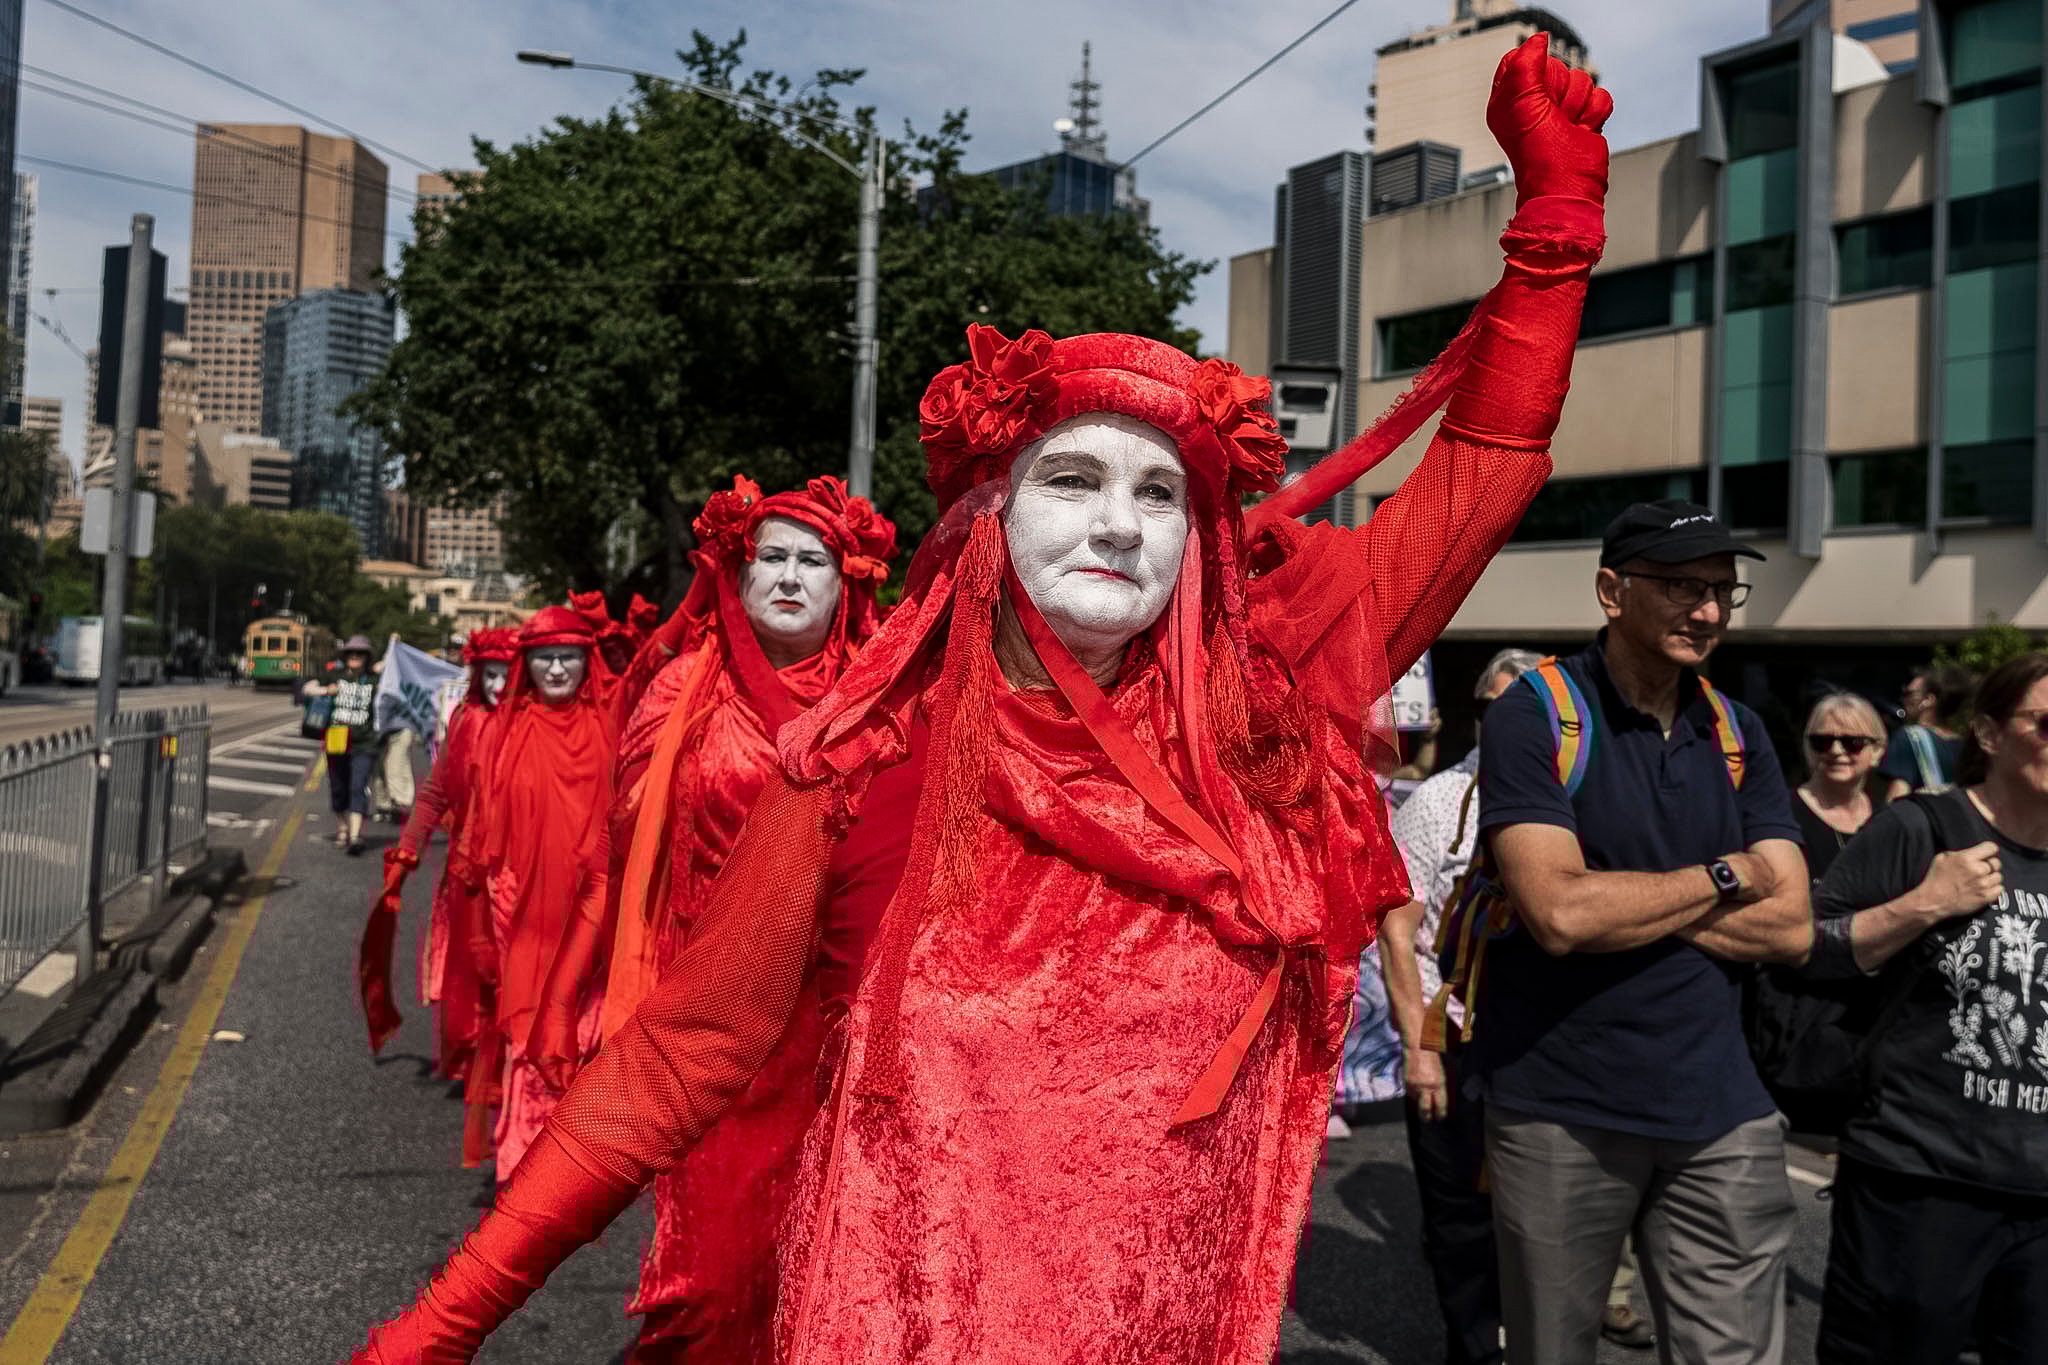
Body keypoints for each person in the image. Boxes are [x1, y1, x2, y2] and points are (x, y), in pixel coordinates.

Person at [354, 33, 1611, 1363]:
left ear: (1198, 537)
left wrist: (1557, 231)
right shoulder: (864, 767)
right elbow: (683, 1055)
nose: (1120, 524)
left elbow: (1477, 475)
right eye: (1075, 480)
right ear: (992, 513)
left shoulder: (1254, 730)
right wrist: (447, 1319)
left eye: (1160, 492)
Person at [529, 474, 895, 1365]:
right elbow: (628, 862)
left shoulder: (881, 702)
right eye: (771, 556)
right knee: (708, 1268)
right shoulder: (677, 695)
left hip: (828, 1034)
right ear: (736, 573)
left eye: (813, 560)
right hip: (709, 1031)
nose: (790, 576)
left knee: (821, 1261)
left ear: (847, 580)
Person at [1473, 499, 1812, 1365]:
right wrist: (1725, 876)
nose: (1708, 610)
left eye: (1722, 590)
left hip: (1722, 1109)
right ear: (1611, 591)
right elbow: (1560, 914)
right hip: (1561, 1108)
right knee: (1553, 1349)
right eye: (1681, 586)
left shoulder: (1738, 732)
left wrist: (1628, 904)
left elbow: (1794, 927)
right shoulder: (1538, 711)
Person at [1807, 654, 2047, 1365]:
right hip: (1917, 1187)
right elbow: (1804, 946)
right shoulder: (1923, 828)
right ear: (1991, 734)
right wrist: (1925, 904)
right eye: (2046, 722)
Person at [1380, 647, 1541, 1365]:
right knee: (1460, 1217)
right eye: (1494, 709)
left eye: (1526, 710)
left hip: (1538, 1040)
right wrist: (1419, 1047)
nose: (1507, 725)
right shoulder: (1441, 799)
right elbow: (1398, 927)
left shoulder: (1567, 796)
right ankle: (1473, 1347)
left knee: (1538, 1212)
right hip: (1450, 1032)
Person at [469, 605, 624, 1180]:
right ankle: (525, 1152)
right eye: (544, 659)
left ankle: (582, 1154)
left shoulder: (610, 721)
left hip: (592, 905)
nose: (557, 669)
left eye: (568, 658)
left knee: (587, 1019)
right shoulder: (501, 731)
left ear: (587, 663)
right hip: (525, 908)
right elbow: (484, 830)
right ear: (525, 666)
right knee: (530, 1018)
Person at [358, 627, 520, 1078]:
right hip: (469, 875)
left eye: (506, 674)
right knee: (473, 973)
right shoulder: (466, 721)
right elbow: (434, 793)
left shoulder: (539, 724)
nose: (498, 686)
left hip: (525, 879)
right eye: (489, 675)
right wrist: (408, 851)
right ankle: (482, 1064)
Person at [1796, 691, 1888, 882]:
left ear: (1877, 750)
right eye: (1822, 742)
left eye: (1852, 742)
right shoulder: (1783, 815)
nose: (1836, 751)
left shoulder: (1886, 819)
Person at [312, 635, 379, 854]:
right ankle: (342, 826)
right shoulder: (334, 676)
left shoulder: (374, 680)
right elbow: (306, 688)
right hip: (336, 741)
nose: (355, 657)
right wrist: (325, 691)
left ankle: (355, 835)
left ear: (367, 658)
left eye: (360, 654)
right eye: (351, 653)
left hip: (365, 742)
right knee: (338, 787)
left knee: (357, 786)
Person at [1878, 663, 1972, 800]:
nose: (1903, 699)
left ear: (1928, 700)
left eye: (1908, 693)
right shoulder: (1965, 745)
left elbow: (1898, 796)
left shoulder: (1909, 737)